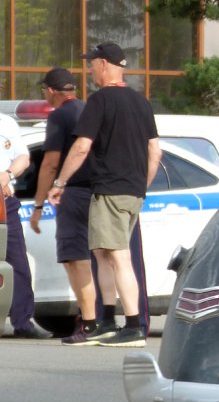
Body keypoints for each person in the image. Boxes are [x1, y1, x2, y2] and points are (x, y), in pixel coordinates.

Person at [48, 43, 161, 348]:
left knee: (118, 257)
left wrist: (59, 182)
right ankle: (108, 322)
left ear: (103, 64)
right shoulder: (141, 102)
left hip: (109, 189)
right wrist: (142, 186)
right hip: (132, 191)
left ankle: (134, 325)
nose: (90, 70)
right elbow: (155, 150)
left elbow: (82, 146)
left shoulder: (100, 100)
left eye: (92, 64)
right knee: (102, 254)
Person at [30, 67, 103, 345]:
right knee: (98, 258)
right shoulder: (87, 110)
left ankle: (88, 322)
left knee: (75, 257)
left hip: (73, 192)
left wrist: (38, 206)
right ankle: (95, 318)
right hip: (97, 191)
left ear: (50, 90)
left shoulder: (60, 115)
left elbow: (49, 163)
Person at [0, 111, 51, 338]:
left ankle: (23, 322)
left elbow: (22, 157)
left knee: (16, 261)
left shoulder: (7, 122)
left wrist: (8, 174)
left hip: (4, 202)